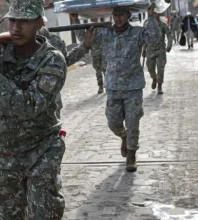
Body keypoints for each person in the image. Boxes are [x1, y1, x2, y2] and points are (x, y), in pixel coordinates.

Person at [0, 0, 67, 218]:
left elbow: (29, 106)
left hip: (41, 149)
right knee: (6, 214)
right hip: (3, 153)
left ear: (39, 23)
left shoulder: (52, 59)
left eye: (25, 21)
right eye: (12, 20)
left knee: (45, 212)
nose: (16, 28)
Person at [71, 4, 159, 172]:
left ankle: (131, 155)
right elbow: (86, 39)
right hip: (113, 87)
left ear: (128, 15)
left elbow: (154, 39)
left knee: (133, 123)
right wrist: (75, 20)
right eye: (115, 15)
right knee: (113, 123)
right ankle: (123, 135)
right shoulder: (105, 34)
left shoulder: (138, 33)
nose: (118, 18)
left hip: (133, 87)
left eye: (121, 15)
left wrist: (152, 16)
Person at [38, 16, 93, 118]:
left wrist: (85, 45)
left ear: (40, 22)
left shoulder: (52, 40)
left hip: (49, 102)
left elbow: (65, 61)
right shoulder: (13, 43)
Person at [143, 12, 172, 94]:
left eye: (157, 14)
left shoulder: (163, 25)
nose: (155, 16)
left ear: (159, 15)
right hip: (150, 49)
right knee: (150, 68)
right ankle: (154, 78)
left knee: (161, 68)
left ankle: (159, 85)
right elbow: (145, 38)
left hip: (160, 49)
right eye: (153, 14)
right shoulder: (147, 25)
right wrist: (144, 49)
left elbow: (169, 35)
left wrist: (169, 45)